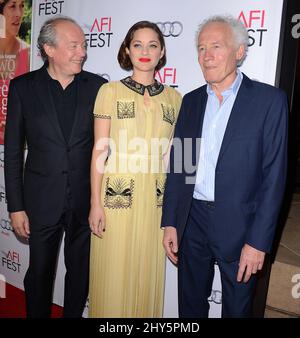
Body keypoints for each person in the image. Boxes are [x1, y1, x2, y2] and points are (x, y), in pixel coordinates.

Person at [161, 15, 288, 318]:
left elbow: (274, 178)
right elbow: (180, 167)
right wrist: (171, 221)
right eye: (201, 48)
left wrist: (258, 242)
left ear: (240, 51)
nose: (206, 56)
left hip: (242, 224)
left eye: (216, 46)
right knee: (189, 308)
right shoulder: (190, 102)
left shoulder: (269, 101)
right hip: (192, 221)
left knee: (238, 311)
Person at [4, 16, 107, 318]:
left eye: (84, 45)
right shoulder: (23, 87)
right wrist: (16, 206)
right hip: (40, 201)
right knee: (39, 274)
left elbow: (105, 148)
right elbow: (12, 152)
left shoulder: (99, 88)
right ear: (49, 48)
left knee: (80, 275)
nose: (82, 52)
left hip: (84, 202)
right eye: (74, 45)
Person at [88, 20, 182, 317]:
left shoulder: (175, 99)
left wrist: (176, 214)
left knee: (146, 273)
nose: (145, 51)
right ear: (127, 50)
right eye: (137, 44)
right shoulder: (109, 91)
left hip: (156, 202)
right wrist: (95, 203)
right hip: (115, 199)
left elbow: (178, 159)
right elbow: (100, 149)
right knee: (113, 275)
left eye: (152, 44)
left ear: (162, 51)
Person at [0, 0, 30, 143]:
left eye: (21, 6)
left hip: (18, 142)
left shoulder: (29, 54)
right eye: (12, 6)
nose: (19, 14)